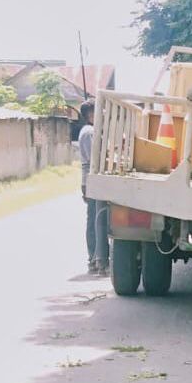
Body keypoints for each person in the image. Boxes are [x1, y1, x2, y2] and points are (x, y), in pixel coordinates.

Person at [77, 101, 108, 276]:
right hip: (91, 180)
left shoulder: (89, 131)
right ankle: (96, 259)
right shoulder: (89, 132)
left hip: (89, 180)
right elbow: (93, 158)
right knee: (97, 219)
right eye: (97, 111)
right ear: (90, 114)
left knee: (95, 218)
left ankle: (95, 259)